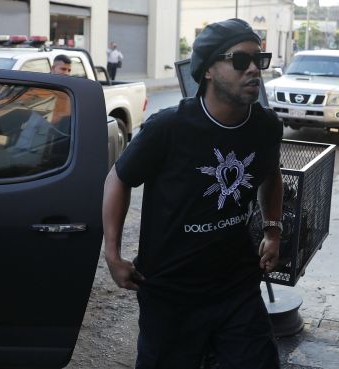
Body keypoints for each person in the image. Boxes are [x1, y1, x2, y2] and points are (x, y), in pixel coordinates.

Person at [102, 18, 281, 369]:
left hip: (236, 286)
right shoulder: (169, 127)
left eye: (259, 60)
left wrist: (273, 231)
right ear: (209, 70)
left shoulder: (266, 126)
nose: (254, 70)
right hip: (171, 292)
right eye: (240, 61)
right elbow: (118, 178)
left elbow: (270, 174)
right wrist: (112, 253)